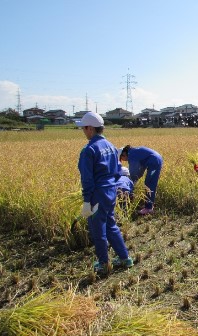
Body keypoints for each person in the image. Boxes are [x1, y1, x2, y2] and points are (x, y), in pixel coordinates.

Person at [77, 111, 132, 276]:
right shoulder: (111, 146)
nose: (83, 131)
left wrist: (87, 201)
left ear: (90, 129)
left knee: (97, 229)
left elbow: (87, 179)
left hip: (97, 194)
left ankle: (103, 263)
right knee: (111, 225)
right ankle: (124, 258)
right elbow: (117, 171)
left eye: (84, 128)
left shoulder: (89, 150)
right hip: (111, 191)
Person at [119, 146, 163, 215]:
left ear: (124, 154)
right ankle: (149, 206)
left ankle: (149, 208)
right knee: (148, 183)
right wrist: (135, 179)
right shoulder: (134, 152)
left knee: (150, 184)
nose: (124, 161)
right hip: (155, 160)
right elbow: (140, 171)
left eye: (122, 158)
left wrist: (131, 183)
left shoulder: (132, 156)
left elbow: (134, 172)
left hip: (154, 162)